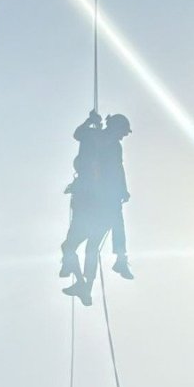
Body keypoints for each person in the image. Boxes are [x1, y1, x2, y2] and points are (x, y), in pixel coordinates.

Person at [60, 111, 133, 305]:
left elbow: (118, 168)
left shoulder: (102, 139)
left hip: (91, 200)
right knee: (81, 246)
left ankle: (86, 282)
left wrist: (122, 190)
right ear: (115, 127)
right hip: (93, 200)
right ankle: (87, 282)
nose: (123, 136)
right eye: (123, 131)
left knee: (78, 247)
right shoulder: (96, 137)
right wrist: (89, 122)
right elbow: (78, 134)